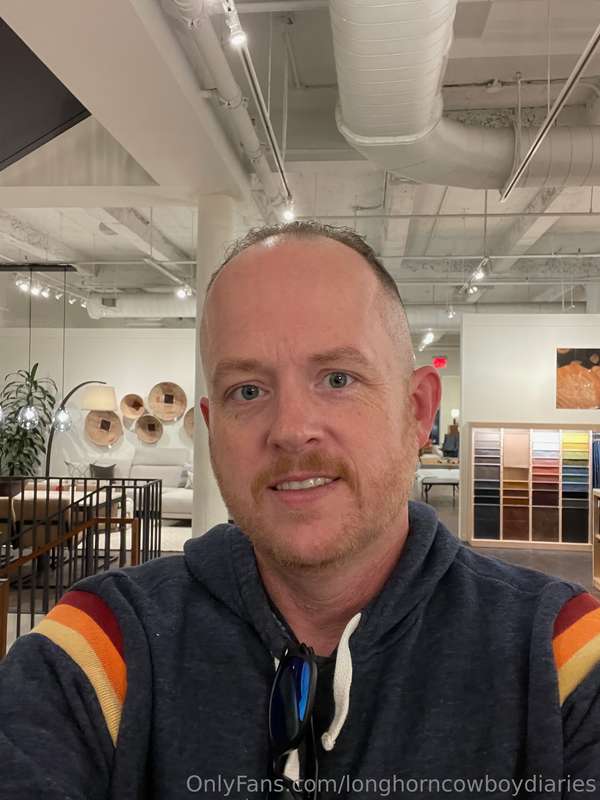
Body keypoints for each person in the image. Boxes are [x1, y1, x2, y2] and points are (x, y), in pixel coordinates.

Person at [1, 221, 599, 799]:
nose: (290, 430)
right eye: (248, 391)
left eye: (337, 379)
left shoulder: (561, 655)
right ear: (212, 429)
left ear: (417, 410)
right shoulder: (102, 646)